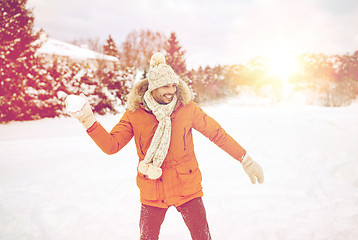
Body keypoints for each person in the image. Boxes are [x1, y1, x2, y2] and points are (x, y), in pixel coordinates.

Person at [67, 52, 264, 240]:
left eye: (173, 85)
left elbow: (217, 134)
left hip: (188, 188)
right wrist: (88, 120)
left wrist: (245, 159)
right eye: (165, 86)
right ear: (153, 88)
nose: (171, 91)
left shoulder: (187, 109)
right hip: (152, 190)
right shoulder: (134, 114)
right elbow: (112, 145)